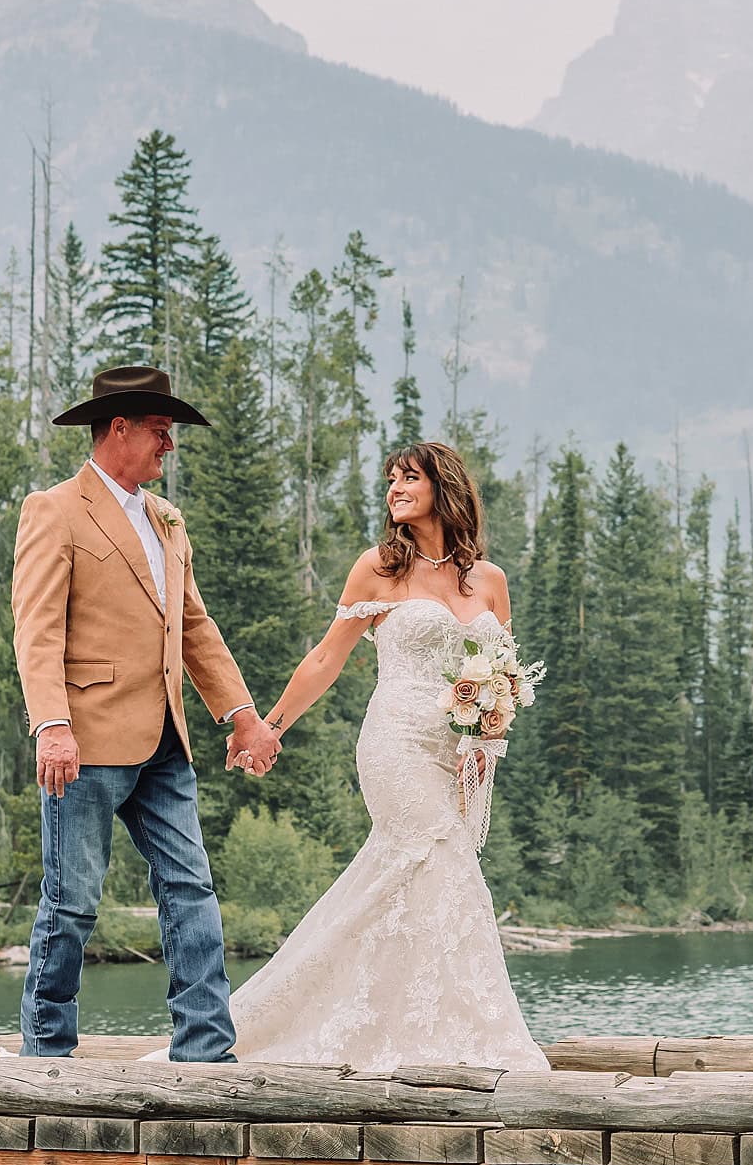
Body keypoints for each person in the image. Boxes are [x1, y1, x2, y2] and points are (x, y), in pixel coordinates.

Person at [228, 440, 548, 1071]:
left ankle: (423, 1030)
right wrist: (269, 727)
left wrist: (488, 727)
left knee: (421, 878)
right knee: (435, 858)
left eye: (409, 478)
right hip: (396, 742)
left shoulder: (489, 580)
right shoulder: (377, 567)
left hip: (459, 755)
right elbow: (326, 658)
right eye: (391, 480)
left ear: (443, 487)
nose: (395, 489)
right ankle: (443, 1035)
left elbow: (503, 672)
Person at [10, 365, 281, 1058]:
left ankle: (206, 1050)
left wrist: (242, 715)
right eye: (161, 431)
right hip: (85, 740)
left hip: (165, 741)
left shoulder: (167, 520)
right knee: (71, 904)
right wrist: (52, 724)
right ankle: (46, 1052)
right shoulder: (56, 509)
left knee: (191, 888)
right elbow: (36, 628)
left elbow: (193, 626)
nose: (171, 445)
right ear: (118, 428)